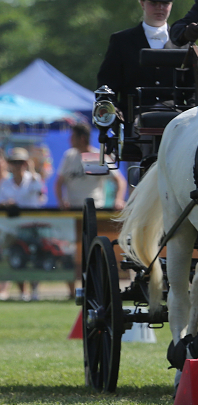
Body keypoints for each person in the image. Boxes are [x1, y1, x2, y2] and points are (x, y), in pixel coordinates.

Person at [97, 0, 186, 110]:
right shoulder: (121, 41)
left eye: (165, 4)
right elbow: (107, 85)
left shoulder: (184, 43)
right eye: (154, 3)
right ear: (142, 3)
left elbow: (192, 89)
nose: (160, 8)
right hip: (134, 117)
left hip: (176, 118)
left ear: (171, 4)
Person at [0, 147, 48, 301]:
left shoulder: (34, 179)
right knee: (17, 257)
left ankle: (35, 291)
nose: (17, 165)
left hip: (32, 228)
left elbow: (40, 192)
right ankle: (23, 292)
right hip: (13, 228)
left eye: (21, 162)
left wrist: (32, 168)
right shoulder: (4, 184)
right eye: (14, 162)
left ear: (26, 164)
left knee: (35, 259)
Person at [54, 123, 126, 212]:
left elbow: (119, 180)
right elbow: (59, 182)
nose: (70, 139)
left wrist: (118, 200)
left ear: (82, 138)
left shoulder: (95, 157)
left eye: (73, 136)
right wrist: (61, 201)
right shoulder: (69, 156)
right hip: (72, 210)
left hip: (94, 209)